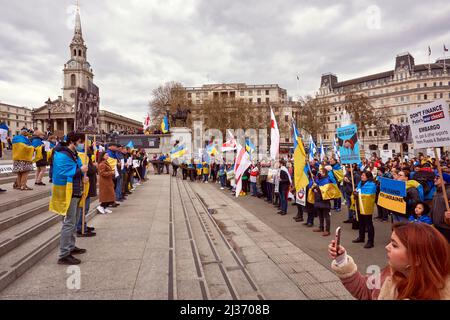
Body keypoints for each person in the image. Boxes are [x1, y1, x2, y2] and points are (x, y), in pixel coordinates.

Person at [328, 222, 450, 299]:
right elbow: (365, 291)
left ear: (416, 259)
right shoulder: (389, 273)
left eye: (394, 245)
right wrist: (342, 260)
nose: (387, 247)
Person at [50, 132, 88, 265]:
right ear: (75, 141)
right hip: (68, 193)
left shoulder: (73, 153)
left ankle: (71, 246)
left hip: (76, 191)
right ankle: (64, 254)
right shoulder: (62, 154)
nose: (83, 144)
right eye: (82, 141)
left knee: (74, 221)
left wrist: (82, 174)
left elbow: (75, 169)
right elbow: (63, 172)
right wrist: (80, 171)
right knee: (69, 223)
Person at [352, 171, 377, 248]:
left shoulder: (372, 185)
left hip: (366, 207)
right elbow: (357, 190)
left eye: (363, 175)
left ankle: (370, 241)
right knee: (361, 222)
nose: (362, 177)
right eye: (361, 175)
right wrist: (355, 192)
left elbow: (368, 196)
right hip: (359, 205)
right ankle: (361, 237)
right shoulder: (360, 183)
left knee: (369, 224)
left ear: (368, 176)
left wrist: (358, 194)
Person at [76, 146, 97, 237]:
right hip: (84, 186)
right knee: (83, 209)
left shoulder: (87, 157)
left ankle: (83, 225)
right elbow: (89, 170)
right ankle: (80, 228)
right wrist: (95, 167)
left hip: (89, 185)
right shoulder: (82, 157)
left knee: (86, 208)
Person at [431, 174, 450, 242]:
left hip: (446, 228)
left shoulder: (448, 192)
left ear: (445, 181)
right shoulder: (436, 191)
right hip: (436, 226)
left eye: (437, 178)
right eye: (435, 177)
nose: (435, 179)